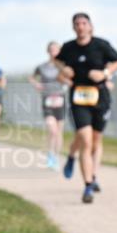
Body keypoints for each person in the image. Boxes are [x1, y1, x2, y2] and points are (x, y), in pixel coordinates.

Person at [56, 12, 117, 203]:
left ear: (90, 26)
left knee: (95, 140)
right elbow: (57, 62)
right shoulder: (68, 47)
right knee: (85, 139)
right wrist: (63, 71)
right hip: (78, 98)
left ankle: (92, 174)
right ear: (73, 27)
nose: (81, 26)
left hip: (100, 97)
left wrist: (105, 73)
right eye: (77, 23)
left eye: (84, 23)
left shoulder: (101, 45)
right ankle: (87, 186)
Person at [31, 41, 68, 169]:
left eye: (56, 50)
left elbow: (71, 78)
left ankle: (56, 157)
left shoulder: (64, 66)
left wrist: (66, 82)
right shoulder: (42, 67)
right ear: (48, 51)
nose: (54, 52)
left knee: (59, 131)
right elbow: (32, 77)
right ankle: (50, 154)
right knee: (52, 130)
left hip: (60, 99)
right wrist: (37, 84)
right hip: (47, 100)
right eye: (51, 50)